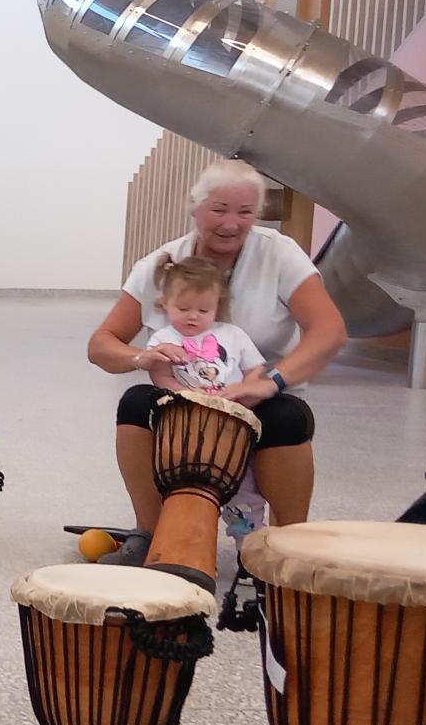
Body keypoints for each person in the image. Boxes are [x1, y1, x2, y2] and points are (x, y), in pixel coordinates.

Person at [87, 157, 348, 563]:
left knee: (289, 417)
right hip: (182, 401)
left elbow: (329, 331)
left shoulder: (279, 254)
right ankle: (149, 534)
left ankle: (289, 546)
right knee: (136, 403)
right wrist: (143, 356)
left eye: (245, 212)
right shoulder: (161, 263)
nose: (231, 223)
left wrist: (269, 382)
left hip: (259, 398)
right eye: (219, 210)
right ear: (195, 209)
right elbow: (102, 343)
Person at [143, 254, 266, 393]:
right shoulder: (162, 339)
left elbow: (256, 369)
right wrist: (184, 394)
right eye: (183, 309)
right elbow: (160, 375)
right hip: (182, 406)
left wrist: (245, 390)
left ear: (216, 307)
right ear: (165, 303)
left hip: (232, 405)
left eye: (203, 310)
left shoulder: (234, 334)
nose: (193, 316)